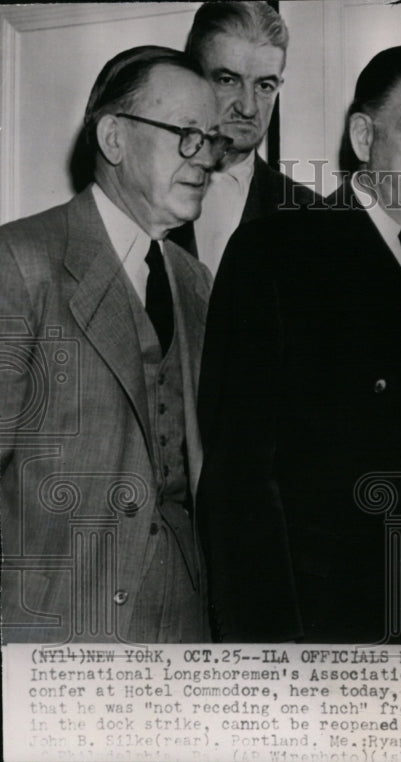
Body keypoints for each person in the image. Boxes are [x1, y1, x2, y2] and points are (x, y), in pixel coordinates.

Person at [197, 45, 401, 643]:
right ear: (364, 136)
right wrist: (270, 659)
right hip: (326, 634)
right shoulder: (277, 256)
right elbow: (239, 485)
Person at [0, 46, 228, 643]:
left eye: (211, 139)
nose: (204, 157)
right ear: (113, 137)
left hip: (183, 632)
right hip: (54, 634)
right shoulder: (20, 262)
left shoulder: (196, 282)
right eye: (185, 134)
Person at [169, 0, 322, 276]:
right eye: (228, 80)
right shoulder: (142, 187)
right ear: (191, 76)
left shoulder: (312, 216)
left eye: (264, 86)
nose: (248, 108)